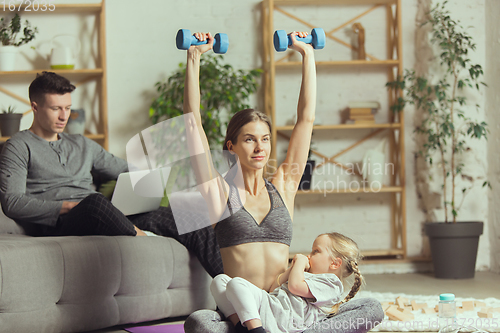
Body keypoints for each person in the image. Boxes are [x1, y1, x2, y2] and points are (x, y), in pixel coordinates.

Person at [180, 32, 383, 332]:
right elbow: (192, 122)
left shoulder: (283, 186)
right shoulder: (218, 191)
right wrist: (193, 57)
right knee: (200, 322)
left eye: (265, 139)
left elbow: (306, 120)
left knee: (371, 307)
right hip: (246, 311)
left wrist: (306, 53)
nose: (260, 147)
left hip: (289, 306)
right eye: (249, 139)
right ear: (231, 147)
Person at [0, 71, 223, 278]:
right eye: (55, 108)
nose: (63, 116)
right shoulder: (18, 146)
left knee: (189, 219)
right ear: (35, 107)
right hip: (61, 221)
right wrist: (66, 206)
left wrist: (151, 178)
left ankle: (238, 292)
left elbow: (127, 170)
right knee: (95, 201)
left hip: (106, 215)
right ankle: (143, 238)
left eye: (67, 108)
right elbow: (12, 202)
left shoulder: (81, 144)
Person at [210, 232, 364, 333]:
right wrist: (292, 268)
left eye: (315, 251)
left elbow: (295, 286)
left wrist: (299, 263)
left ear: (335, 264)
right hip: (270, 306)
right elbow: (273, 288)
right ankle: (241, 327)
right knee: (220, 281)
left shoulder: (332, 284)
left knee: (237, 283)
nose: (309, 255)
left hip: (281, 320)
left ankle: (256, 329)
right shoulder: (303, 274)